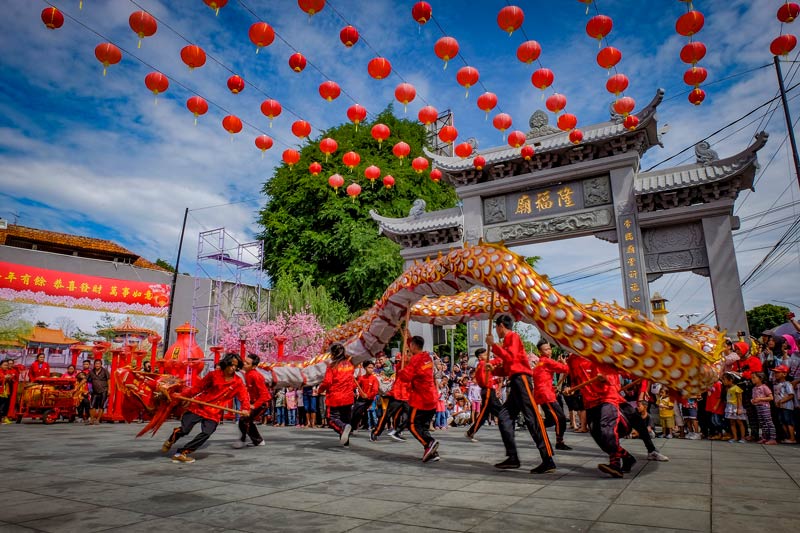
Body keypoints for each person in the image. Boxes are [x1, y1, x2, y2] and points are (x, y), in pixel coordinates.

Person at [487, 315, 556, 474]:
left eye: (496, 328)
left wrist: (494, 346)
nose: (496, 331)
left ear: (500, 326)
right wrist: (494, 370)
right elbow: (508, 366)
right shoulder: (508, 341)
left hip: (522, 380)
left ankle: (548, 459)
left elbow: (510, 358)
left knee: (532, 418)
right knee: (504, 417)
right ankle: (512, 457)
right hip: (515, 382)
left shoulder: (513, 336)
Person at [161, 353, 249, 463]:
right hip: (199, 406)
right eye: (231, 365)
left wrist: (245, 408)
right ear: (225, 364)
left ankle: (182, 453)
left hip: (214, 412)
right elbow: (198, 388)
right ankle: (172, 439)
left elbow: (244, 396)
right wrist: (183, 396)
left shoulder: (238, 382)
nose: (233, 368)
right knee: (184, 429)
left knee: (206, 433)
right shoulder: (213, 375)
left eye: (236, 366)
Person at [398, 335, 440, 462]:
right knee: (423, 426)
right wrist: (408, 335)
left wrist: (400, 369)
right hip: (432, 397)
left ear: (414, 346)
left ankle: (429, 443)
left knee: (412, 425)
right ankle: (433, 453)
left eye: (410, 345)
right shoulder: (427, 357)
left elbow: (406, 376)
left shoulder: (416, 359)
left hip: (421, 399)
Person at [532, 339, 572, 450]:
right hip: (546, 395)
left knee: (550, 419)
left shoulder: (540, 362)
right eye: (546, 349)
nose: (549, 351)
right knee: (560, 418)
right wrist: (564, 363)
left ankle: (537, 429)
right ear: (540, 351)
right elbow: (566, 369)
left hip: (544, 393)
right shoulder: (547, 361)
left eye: (549, 348)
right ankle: (559, 441)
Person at [317, 343, 355, 446]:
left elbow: (327, 382)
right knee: (345, 419)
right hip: (348, 396)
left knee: (331, 419)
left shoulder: (332, 366)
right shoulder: (350, 365)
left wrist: (320, 390)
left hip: (335, 397)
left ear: (333, 353)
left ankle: (343, 428)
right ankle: (345, 442)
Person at [465, 348, 503, 441]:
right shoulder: (483, 364)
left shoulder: (481, 365)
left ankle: (471, 432)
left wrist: (494, 381)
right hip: (488, 391)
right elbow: (483, 379)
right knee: (493, 411)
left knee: (485, 414)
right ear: (480, 356)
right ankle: (508, 423)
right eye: (485, 354)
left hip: (488, 390)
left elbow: (485, 378)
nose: (488, 355)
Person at [234, 354, 271, 448]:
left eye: (247, 363)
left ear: (254, 366)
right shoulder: (247, 373)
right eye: (244, 361)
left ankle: (243, 440)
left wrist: (254, 405)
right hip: (253, 402)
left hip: (261, 404)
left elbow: (265, 395)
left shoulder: (256, 376)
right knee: (247, 420)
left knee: (244, 420)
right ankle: (258, 440)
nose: (244, 364)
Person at [351, 360, 379, 431]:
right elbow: (354, 386)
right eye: (369, 367)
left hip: (369, 400)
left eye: (372, 368)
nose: (371, 369)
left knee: (363, 412)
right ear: (365, 368)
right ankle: (352, 427)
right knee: (354, 412)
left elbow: (375, 391)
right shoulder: (361, 378)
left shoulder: (374, 379)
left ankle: (374, 426)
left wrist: (368, 395)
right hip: (361, 399)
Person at [750, 372, 777, 445]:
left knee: (768, 422)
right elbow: (753, 398)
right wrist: (753, 401)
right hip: (758, 407)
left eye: (754, 377)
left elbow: (771, 397)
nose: (752, 379)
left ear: (760, 378)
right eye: (751, 378)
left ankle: (772, 438)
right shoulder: (754, 388)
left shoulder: (764, 387)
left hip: (764, 407)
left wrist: (760, 399)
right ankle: (765, 437)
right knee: (762, 423)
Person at [772, 364, 796, 443]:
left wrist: (781, 401)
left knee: (788, 421)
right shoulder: (776, 384)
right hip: (779, 406)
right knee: (782, 421)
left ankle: (792, 438)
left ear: (784, 374)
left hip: (787, 407)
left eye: (778, 372)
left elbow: (791, 395)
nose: (776, 374)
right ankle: (787, 437)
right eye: (775, 373)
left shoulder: (787, 384)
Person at [722, 372, 746, 443]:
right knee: (732, 422)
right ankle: (735, 437)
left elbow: (739, 399)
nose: (723, 381)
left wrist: (739, 408)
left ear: (731, 380)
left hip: (736, 406)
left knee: (739, 422)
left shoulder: (736, 388)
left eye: (724, 380)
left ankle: (742, 438)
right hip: (730, 407)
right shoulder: (728, 389)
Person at [86, 359, 110, 425]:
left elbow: (108, 380)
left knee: (101, 406)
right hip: (94, 391)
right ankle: (92, 419)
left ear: (101, 364)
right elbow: (85, 379)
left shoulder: (105, 371)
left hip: (104, 390)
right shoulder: (91, 372)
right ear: (94, 364)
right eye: (96, 363)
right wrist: (78, 387)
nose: (97, 365)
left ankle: (98, 420)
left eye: (98, 364)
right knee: (91, 405)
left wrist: (109, 390)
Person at [0, 359, 14, 424]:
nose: (6, 366)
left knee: (6, 405)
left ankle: (4, 417)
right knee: (1, 405)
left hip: (7, 390)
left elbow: (11, 379)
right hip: (1, 391)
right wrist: (4, 377)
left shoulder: (8, 371)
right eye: (5, 365)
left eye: (7, 365)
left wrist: (9, 378)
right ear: (1, 365)